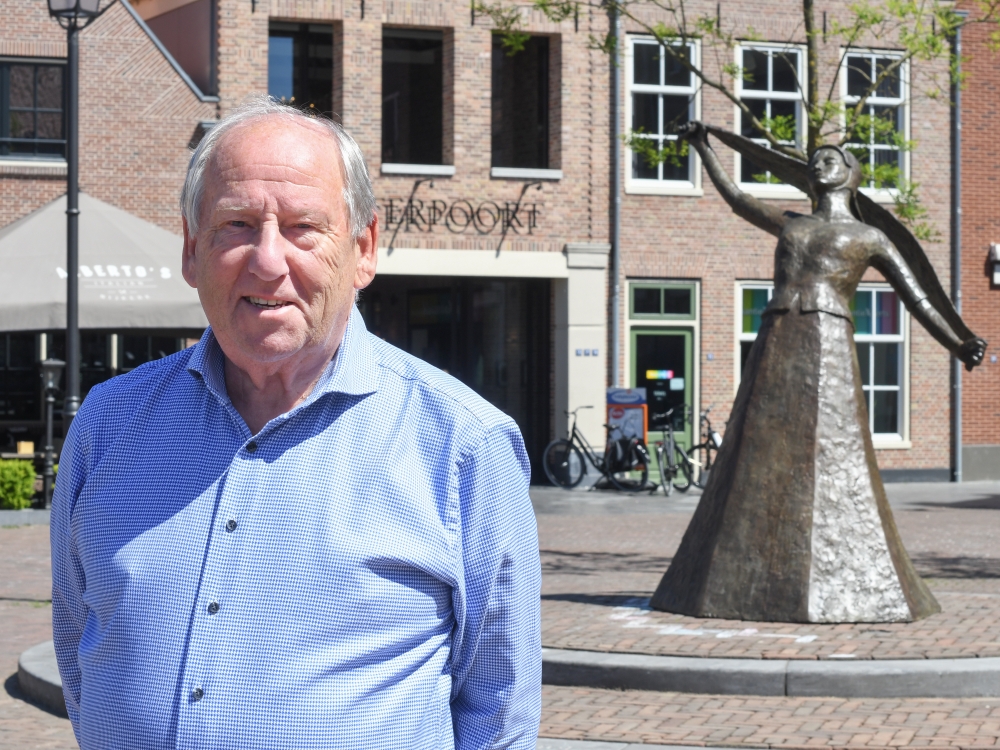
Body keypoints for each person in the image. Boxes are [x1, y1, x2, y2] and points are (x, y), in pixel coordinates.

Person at [50, 95, 542, 749]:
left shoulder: (461, 445)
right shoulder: (109, 425)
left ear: (363, 249)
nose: (268, 260)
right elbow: (81, 649)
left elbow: (499, 714)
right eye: (237, 225)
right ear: (192, 250)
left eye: (303, 227)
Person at [651, 122, 985, 624]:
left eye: (831, 159)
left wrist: (958, 341)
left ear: (852, 175)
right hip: (776, 337)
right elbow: (738, 200)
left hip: (828, 343)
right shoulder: (793, 224)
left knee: (835, 448)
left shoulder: (868, 236)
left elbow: (915, 297)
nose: (819, 164)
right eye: (815, 160)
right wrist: (703, 149)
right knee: (754, 449)